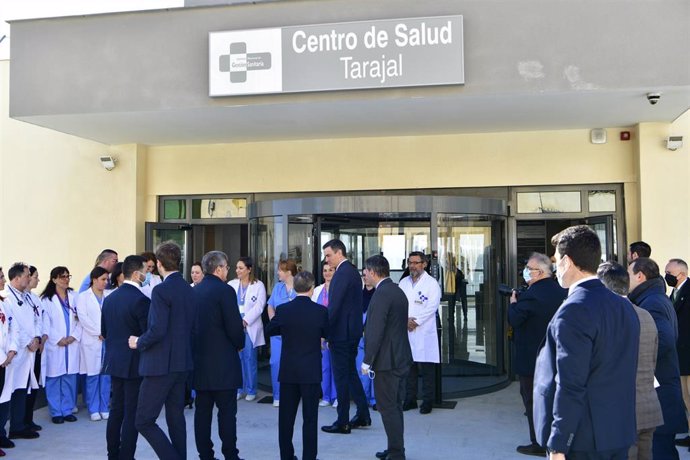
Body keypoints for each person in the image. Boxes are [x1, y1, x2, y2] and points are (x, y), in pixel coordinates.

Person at [533, 225, 639, 459]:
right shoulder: (624, 306)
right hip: (619, 433)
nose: (555, 266)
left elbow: (570, 383)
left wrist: (559, 444)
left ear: (567, 261)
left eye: (557, 260)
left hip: (583, 440)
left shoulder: (573, 310)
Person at [129, 241, 196, 460]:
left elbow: (157, 329)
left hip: (160, 365)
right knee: (175, 417)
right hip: (182, 363)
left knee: (143, 420)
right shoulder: (188, 288)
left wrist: (138, 342)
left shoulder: (161, 291)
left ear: (158, 264)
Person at [598, 261, 663, 460]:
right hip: (648, 406)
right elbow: (652, 362)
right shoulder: (646, 316)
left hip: (621, 414)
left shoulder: (607, 317)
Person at [626, 258, 687, 458]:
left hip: (659, 392)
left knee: (660, 452)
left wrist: (638, 361)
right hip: (661, 391)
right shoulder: (653, 298)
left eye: (629, 274)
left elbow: (665, 340)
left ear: (640, 276)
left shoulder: (652, 303)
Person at [507, 252, 566, 456]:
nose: (526, 272)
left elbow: (515, 319)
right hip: (557, 357)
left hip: (533, 359)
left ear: (540, 272)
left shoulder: (531, 295)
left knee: (534, 403)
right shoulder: (561, 291)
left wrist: (513, 303)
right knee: (555, 403)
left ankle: (539, 443)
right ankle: (556, 440)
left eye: (529, 269)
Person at [267, 271, 329, 460]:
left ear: (294, 288)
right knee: (310, 419)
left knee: (286, 418)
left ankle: (287, 456)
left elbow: (270, 329)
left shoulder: (284, 310)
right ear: (311, 289)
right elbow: (328, 333)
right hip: (310, 370)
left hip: (289, 371)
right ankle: (309, 457)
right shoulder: (320, 311)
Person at [193, 251, 245, 460]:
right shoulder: (225, 291)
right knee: (226, 414)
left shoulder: (194, 291)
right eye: (226, 267)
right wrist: (239, 344)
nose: (228, 271)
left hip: (199, 362)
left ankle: (205, 454)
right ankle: (230, 455)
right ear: (218, 269)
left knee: (202, 414)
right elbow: (234, 326)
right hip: (223, 363)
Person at [361, 255, 413, 460]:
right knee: (395, 406)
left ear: (373, 272)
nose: (364, 276)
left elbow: (375, 331)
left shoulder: (382, 294)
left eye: (365, 272)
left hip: (387, 362)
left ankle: (396, 453)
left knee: (388, 408)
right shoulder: (396, 290)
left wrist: (367, 360)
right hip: (399, 358)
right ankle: (395, 448)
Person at [101, 255, 150, 460]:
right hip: (134, 364)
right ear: (137, 274)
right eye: (145, 272)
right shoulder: (141, 300)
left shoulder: (110, 298)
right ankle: (126, 456)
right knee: (131, 413)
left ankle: (113, 454)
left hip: (114, 361)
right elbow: (147, 334)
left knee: (116, 411)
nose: (147, 275)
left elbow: (104, 330)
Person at [321, 239, 371, 434]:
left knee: (341, 377)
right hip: (349, 333)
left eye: (328, 255)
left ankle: (342, 421)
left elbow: (334, 306)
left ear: (339, 252)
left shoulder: (343, 273)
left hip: (342, 334)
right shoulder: (349, 271)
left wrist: (324, 332)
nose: (326, 259)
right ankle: (363, 414)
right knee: (349, 374)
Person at [0, 263, 40, 440]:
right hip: (13, 354)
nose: (29, 278)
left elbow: (35, 318)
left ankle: (18, 426)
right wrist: (26, 342)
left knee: (22, 388)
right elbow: (13, 325)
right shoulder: (7, 298)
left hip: (25, 351)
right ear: (17, 278)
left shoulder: (27, 297)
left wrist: (37, 338)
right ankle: (5, 431)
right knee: (8, 393)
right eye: (26, 275)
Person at [399, 251, 441, 414]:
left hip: (424, 331)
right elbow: (398, 303)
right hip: (407, 329)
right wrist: (405, 320)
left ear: (424, 264)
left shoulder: (431, 284)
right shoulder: (403, 282)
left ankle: (427, 401)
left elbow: (432, 306)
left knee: (427, 369)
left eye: (416, 263)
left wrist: (415, 321)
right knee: (409, 368)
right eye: (410, 263)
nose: (413, 266)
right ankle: (410, 400)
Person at [40, 266, 81, 424]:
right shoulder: (46, 300)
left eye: (67, 276)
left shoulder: (74, 296)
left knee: (70, 378)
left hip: (71, 343)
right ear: (54, 279)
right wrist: (58, 339)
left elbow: (80, 319)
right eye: (62, 277)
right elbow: (45, 324)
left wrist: (73, 336)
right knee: (54, 379)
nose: (66, 279)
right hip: (55, 344)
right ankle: (56, 412)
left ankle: (67, 409)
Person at [228, 256, 266, 402]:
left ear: (249, 270)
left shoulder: (258, 285)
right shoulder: (232, 284)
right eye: (237, 268)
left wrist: (245, 320)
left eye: (241, 268)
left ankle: (251, 389)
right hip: (235, 324)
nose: (237, 270)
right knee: (236, 359)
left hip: (249, 325)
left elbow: (259, 306)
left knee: (249, 358)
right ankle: (238, 388)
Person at [77, 267, 111, 421]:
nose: (106, 282)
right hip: (92, 340)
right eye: (103, 279)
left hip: (107, 341)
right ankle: (93, 408)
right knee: (92, 376)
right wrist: (99, 332)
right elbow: (83, 319)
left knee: (105, 376)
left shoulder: (109, 296)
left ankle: (104, 407)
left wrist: (107, 333)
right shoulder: (83, 297)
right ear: (94, 279)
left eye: (107, 279)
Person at [665, 258, 690, 448]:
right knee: (685, 397)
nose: (666, 276)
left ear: (682, 274)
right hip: (680, 354)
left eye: (669, 273)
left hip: (687, 352)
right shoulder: (673, 293)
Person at [267, 259, 298, 407]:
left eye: (280, 270)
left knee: (294, 364)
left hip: (295, 334)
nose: (278, 272)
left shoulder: (300, 287)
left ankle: (294, 395)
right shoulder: (278, 288)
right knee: (276, 363)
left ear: (289, 272)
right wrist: (275, 322)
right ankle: (277, 395)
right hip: (278, 334)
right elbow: (270, 306)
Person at [23, 265, 47, 433]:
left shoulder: (34, 298)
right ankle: (22, 422)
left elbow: (40, 321)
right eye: (35, 276)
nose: (38, 279)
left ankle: (28, 420)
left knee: (34, 385)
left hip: (37, 346)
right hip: (26, 349)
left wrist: (41, 337)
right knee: (24, 387)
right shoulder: (15, 299)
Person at [311, 261, 337, 406]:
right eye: (325, 270)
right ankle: (326, 396)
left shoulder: (339, 289)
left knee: (336, 366)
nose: (327, 273)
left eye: (330, 270)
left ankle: (337, 396)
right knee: (324, 366)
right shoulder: (317, 290)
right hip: (321, 335)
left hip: (336, 333)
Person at [0, 266, 18, 455]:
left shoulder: (5, 303)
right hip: (2, 359)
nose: (4, 280)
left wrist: (12, 350)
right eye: (1, 277)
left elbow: (14, 327)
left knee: (4, 400)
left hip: (7, 359)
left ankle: (1, 434)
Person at [356, 270, 376, 409]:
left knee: (374, 369)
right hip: (359, 338)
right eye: (363, 275)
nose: (365, 277)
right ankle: (364, 399)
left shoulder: (379, 295)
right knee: (361, 370)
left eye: (367, 274)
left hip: (374, 337)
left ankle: (375, 399)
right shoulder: (357, 296)